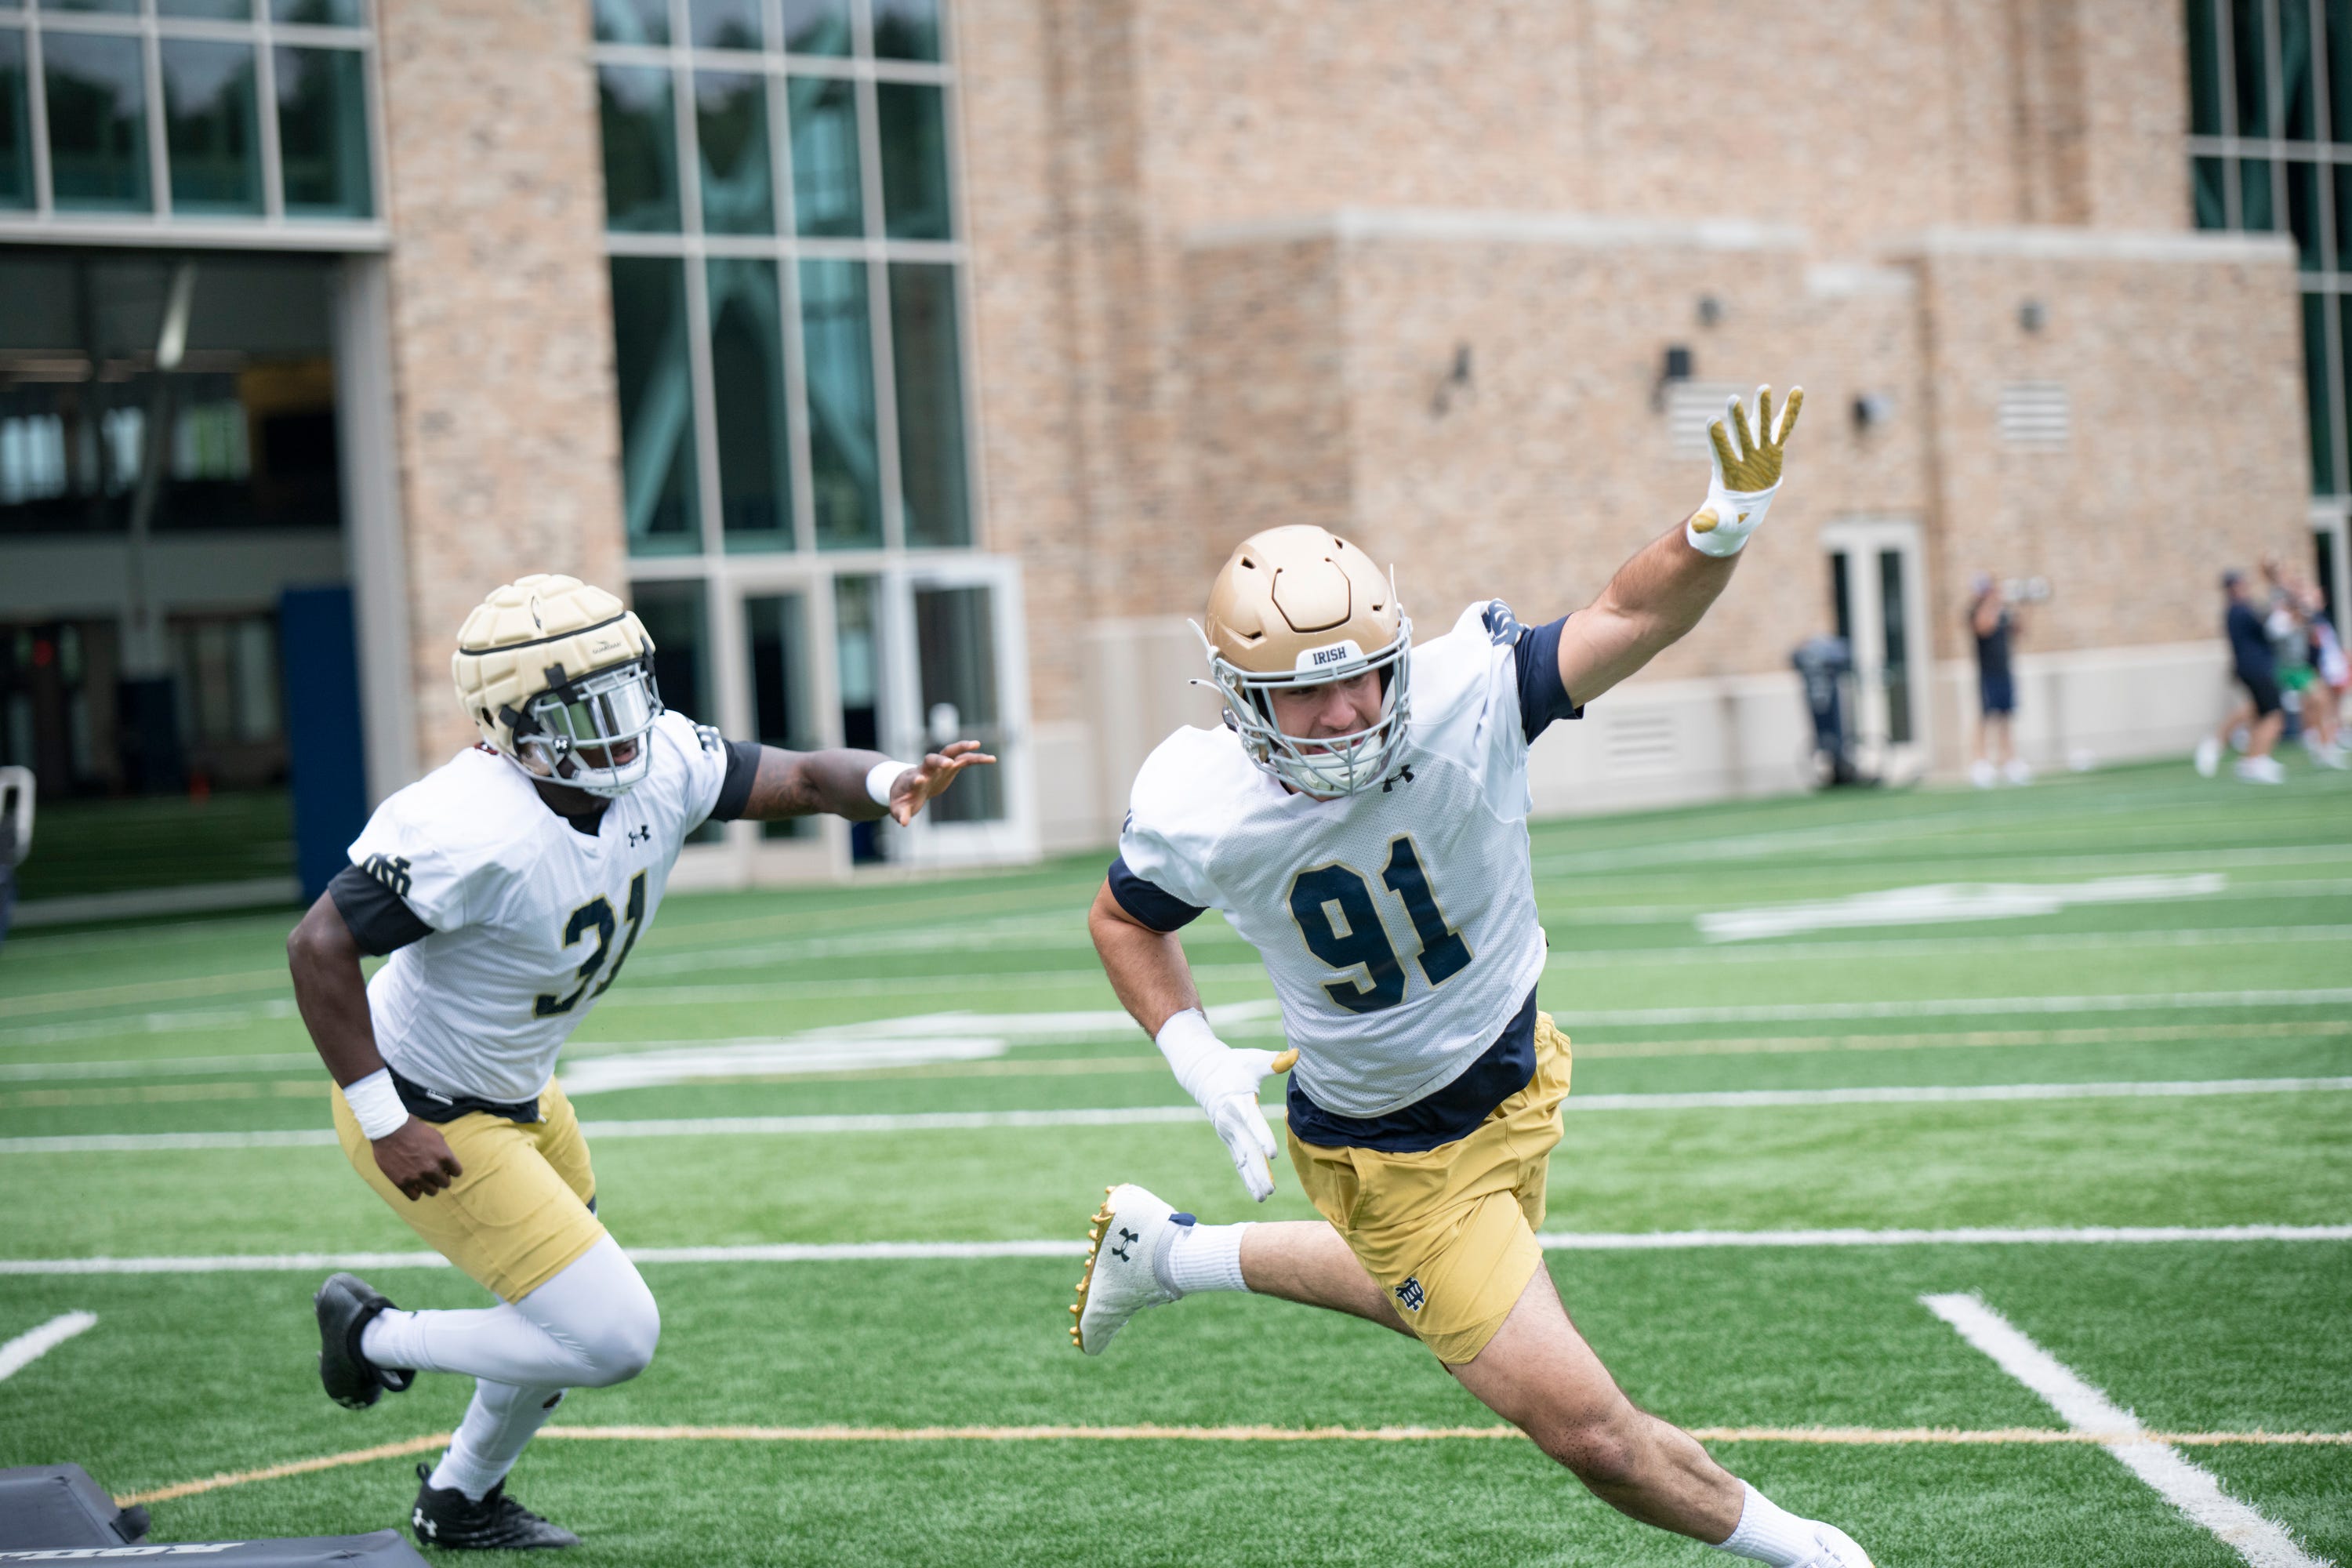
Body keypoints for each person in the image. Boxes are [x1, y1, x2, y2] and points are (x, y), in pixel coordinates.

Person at [1073, 390, 1875, 1568]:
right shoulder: (1203, 807)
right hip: (1390, 1153)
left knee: (1434, 1301)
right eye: (1307, 690)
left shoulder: (1461, 696)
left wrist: (1720, 525)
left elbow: (1628, 612)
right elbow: (1121, 920)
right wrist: (1195, 1057)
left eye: (1365, 677)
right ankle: (1812, 1554)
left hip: (1520, 1068)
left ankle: (1170, 1252)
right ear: (1242, 701)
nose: (1348, 713)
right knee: (1590, 1430)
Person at [285, 573, 989, 1549]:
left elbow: (799, 776)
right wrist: (382, 1115)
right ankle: (369, 1335)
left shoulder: (658, 759)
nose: (621, 728)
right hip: (424, 1100)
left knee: (553, 1316)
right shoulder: (464, 823)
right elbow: (318, 945)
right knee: (611, 1333)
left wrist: (888, 781)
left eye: (624, 693)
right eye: (583, 710)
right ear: (507, 724)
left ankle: (459, 1497)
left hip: (523, 1086)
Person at [2197, 569, 2285, 783]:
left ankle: (2252, 759)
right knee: (2274, 716)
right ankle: (2254, 761)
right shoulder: (2240, 611)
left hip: (2251, 668)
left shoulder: (2238, 611)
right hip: (2257, 668)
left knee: (2258, 712)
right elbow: (2270, 628)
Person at [1966, 574, 2027, 786]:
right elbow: (1984, 627)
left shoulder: (2004, 613)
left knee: (2005, 716)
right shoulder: (1975, 611)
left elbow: (2020, 631)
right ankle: (1980, 760)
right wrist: (1992, 605)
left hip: (2004, 670)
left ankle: (2008, 759)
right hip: (1987, 672)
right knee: (1985, 717)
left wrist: (2022, 608)